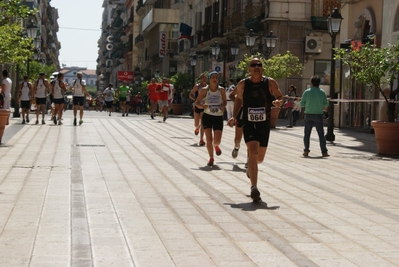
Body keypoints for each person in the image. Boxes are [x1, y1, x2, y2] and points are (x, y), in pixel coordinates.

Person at [227, 58, 284, 202]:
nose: (257, 67)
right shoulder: (243, 84)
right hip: (249, 122)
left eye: (259, 65)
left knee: (259, 158)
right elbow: (238, 100)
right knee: (252, 152)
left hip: (264, 123)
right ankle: (254, 187)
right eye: (253, 65)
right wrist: (234, 117)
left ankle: (250, 168)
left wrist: (278, 102)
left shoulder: (269, 82)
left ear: (262, 68)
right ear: (249, 69)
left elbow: (279, 96)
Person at [195, 71, 227, 167]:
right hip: (207, 116)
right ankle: (211, 158)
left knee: (217, 140)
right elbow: (197, 103)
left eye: (216, 77)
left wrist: (223, 106)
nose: (215, 79)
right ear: (209, 79)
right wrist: (202, 106)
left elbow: (225, 102)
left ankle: (216, 145)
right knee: (209, 138)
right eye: (213, 77)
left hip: (218, 117)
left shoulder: (221, 90)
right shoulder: (205, 90)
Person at [300, 75, 329, 158]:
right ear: (319, 83)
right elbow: (326, 104)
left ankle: (306, 150)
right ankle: (324, 152)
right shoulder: (322, 92)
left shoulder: (307, 92)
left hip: (308, 114)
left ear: (311, 83)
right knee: (321, 134)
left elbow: (302, 104)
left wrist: (307, 104)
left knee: (307, 134)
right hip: (318, 115)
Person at [189, 73, 207, 146]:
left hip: (204, 106)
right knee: (197, 123)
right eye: (203, 77)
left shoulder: (208, 87)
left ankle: (201, 139)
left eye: (205, 77)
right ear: (200, 79)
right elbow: (190, 94)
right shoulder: (197, 86)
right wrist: (195, 99)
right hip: (197, 106)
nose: (204, 78)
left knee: (202, 123)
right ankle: (197, 128)